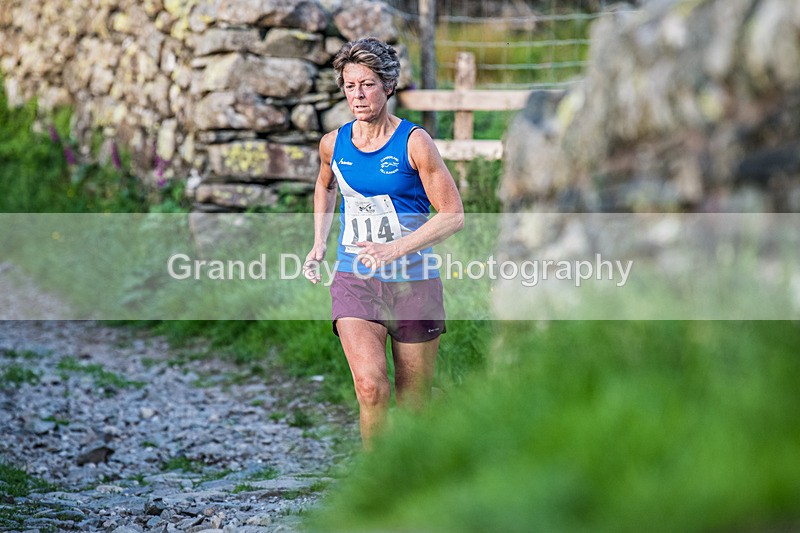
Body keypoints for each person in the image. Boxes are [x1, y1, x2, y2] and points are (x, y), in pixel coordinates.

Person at [303, 37, 464, 450]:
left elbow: (453, 214)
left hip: (414, 280)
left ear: (388, 86)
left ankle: (410, 486)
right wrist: (319, 242)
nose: (357, 95)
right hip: (355, 277)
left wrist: (395, 249)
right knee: (371, 388)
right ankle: (373, 493)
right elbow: (325, 187)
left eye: (368, 84)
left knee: (414, 403)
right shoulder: (333, 144)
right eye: (350, 85)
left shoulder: (414, 142)